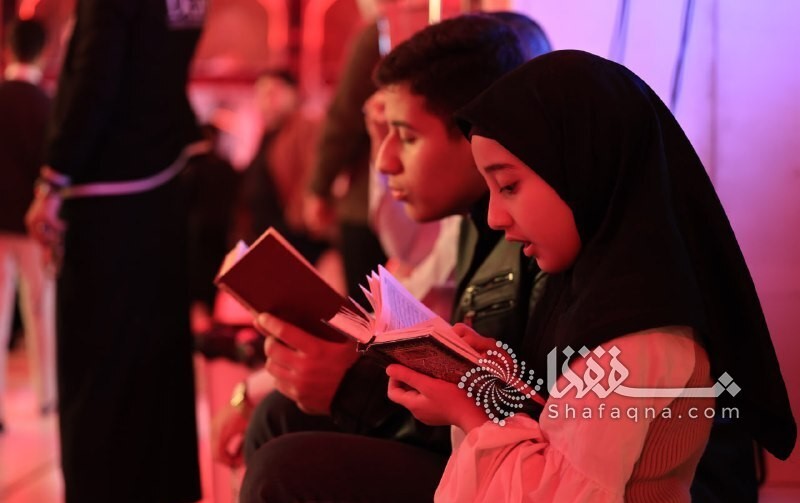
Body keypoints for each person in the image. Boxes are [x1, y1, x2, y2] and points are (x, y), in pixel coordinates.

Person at [385, 50, 797, 502]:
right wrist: (502, 383)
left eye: (508, 186)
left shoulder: (639, 335)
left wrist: (473, 416)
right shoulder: (591, 296)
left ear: (583, 168)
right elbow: (564, 435)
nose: (495, 216)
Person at [239, 14, 551, 503]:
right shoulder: (475, 223)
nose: (384, 162)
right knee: (277, 415)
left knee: (283, 469)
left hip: (509, 468)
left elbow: (540, 419)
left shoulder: (541, 235)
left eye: (405, 136)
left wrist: (353, 387)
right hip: (473, 443)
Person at [24, 1, 206, 501]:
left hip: (106, 196)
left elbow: (93, 81)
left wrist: (53, 180)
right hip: (162, 185)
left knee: (97, 369)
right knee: (156, 358)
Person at [0, 18, 55, 434]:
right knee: (41, 311)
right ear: (44, 53)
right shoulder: (48, 105)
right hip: (33, 227)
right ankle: (47, 397)